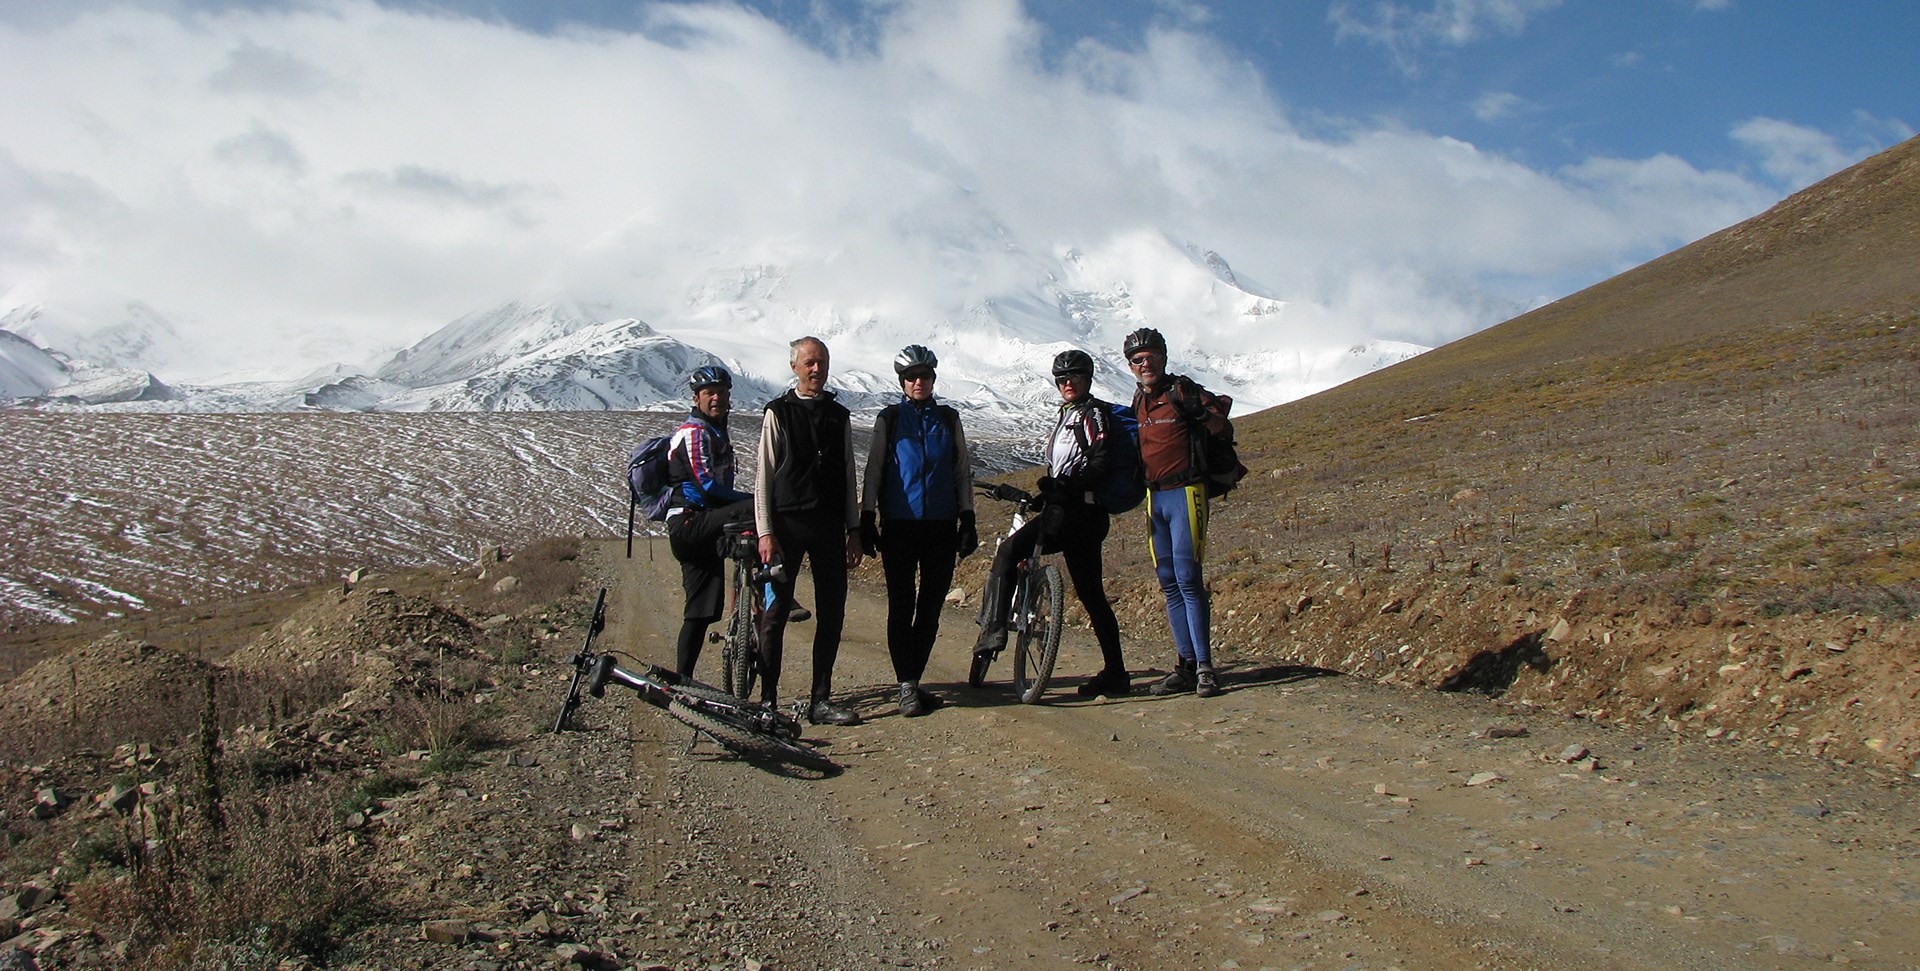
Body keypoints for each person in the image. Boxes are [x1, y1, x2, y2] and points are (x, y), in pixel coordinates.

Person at [974, 349, 1130, 697]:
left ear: (1087, 379)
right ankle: (1116, 673)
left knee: (1010, 551)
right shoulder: (1069, 415)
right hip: (1077, 512)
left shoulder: (1092, 414)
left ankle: (994, 629)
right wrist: (1051, 492)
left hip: (1076, 513)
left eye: (1073, 377)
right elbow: (1066, 469)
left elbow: (1101, 461)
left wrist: (1066, 488)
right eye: (1061, 379)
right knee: (1092, 595)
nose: (1067, 384)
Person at [860, 345, 978, 717]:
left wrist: (968, 517)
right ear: (902, 381)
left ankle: (913, 681)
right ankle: (907, 685)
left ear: (933, 379)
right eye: (911, 377)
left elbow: (961, 470)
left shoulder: (948, 418)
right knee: (901, 605)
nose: (918, 382)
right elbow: (875, 469)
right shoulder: (890, 418)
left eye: (924, 376)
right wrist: (867, 516)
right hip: (899, 526)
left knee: (929, 609)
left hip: (941, 526)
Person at [754, 336, 865, 725]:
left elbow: (850, 475)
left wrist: (854, 529)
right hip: (787, 525)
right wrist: (765, 533)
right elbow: (764, 477)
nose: (816, 369)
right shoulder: (778, 413)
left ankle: (821, 698)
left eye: (822, 362)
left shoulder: (839, 416)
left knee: (832, 611)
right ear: (795, 367)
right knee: (776, 612)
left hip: (829, 526)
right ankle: (768, 702)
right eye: (809, 363)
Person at [1125, 327, 1233, 698]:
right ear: (1130, 366)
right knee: (1169, 582)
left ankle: (1205, 667)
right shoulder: (1138, 402)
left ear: (1164, 357)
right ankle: (1185, 665)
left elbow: (1223, 426)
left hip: (1187, 491)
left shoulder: (1182, 391)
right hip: (1156, 499)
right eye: (1139, 360)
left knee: (1188, 578)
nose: (1146, 363)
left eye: (1152, 356)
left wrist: (1201, 414)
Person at [663, 365, 753, 680]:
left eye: (722, 392)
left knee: (700, 613)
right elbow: (708, 487)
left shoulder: (716, 431)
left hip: (700, 523)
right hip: (690, 522)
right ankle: (775, 592)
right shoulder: (694, 433)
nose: (717, 399)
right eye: (709, 393)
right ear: (696, 398)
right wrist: (752, 500)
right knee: (763, 511)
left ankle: (682, 680)